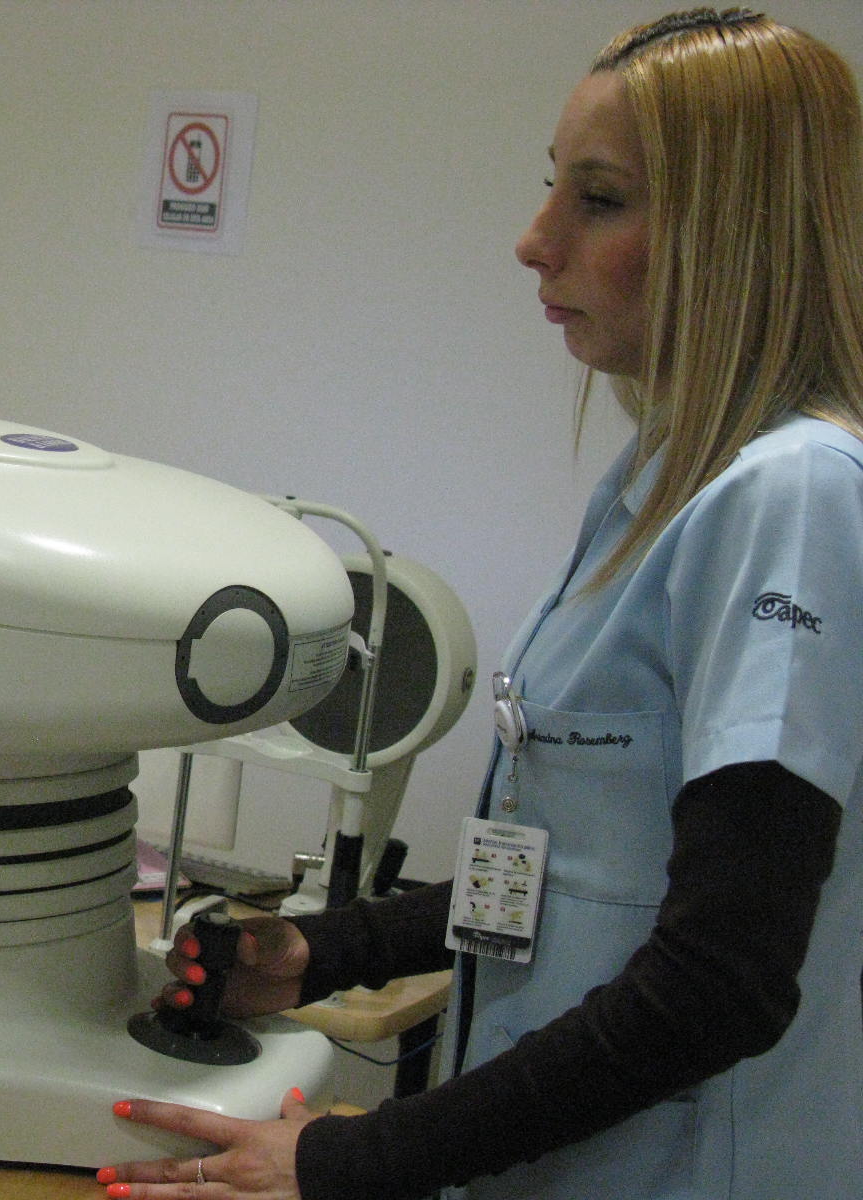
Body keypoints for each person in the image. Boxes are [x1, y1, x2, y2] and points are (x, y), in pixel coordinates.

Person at [99, 9, 863, 1199]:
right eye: (552, 188)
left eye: (598, 200)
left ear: (737, 237)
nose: (532, 240)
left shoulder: (794, 497)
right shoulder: (661, 484)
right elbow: (585, 873)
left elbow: (724, 974)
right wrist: (329, 950)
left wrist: (360, 1156)